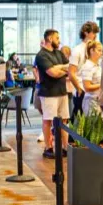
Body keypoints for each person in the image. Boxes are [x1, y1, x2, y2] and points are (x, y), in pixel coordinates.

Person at [36, 29, 70, 159]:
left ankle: (65, 147)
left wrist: (60, 68)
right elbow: (52, 73)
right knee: (48, 120)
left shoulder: (59, 53)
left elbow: (68, 67)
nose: (59, 40)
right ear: (50, 39)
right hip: (49, 93)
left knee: (64, 120)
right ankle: (48, 147)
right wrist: (62, 69)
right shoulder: (41, 55)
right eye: (57, 38)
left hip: (62, 92)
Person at [68, 21, 101, 120]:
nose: (95, 35)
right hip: (82, 89)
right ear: (86, 32)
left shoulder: (95, 48)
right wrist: (79, 88)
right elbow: (71, 72)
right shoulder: (77, 50)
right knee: (79, 120)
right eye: (93, 32)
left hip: (94, 90)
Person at [79, 40, 103, 115]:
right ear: (92, 51)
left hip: (99, 100)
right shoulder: (87, 66)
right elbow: (87, 87)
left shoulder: (98, 66)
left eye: (102, 50)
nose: (101, 53)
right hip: (91, 102)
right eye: (99, 50)